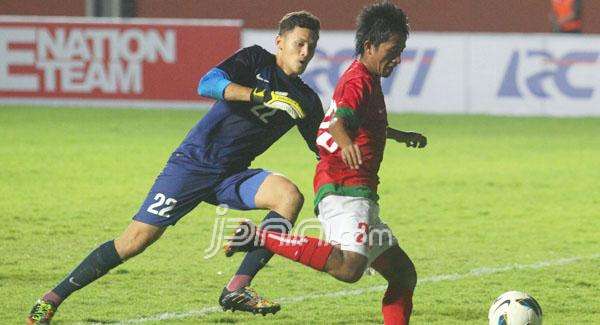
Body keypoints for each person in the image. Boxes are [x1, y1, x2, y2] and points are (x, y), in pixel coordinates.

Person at [27, 11, 323, 324]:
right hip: (193, 164)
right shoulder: (255, 61)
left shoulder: (304, 99)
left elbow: (323, 148)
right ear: (280, 42)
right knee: (134, 242)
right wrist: (259, 94)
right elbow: (207, 84)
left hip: (233, 175)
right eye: (299, 43)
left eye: (311, 46)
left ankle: (237, 288)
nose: (305, 53)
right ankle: (51, 299)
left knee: (289, 197)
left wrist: (365, 139)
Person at [225, 2, 426, 324]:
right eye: (393, 50)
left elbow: (363, 123)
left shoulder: (367, 80)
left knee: (403, 275)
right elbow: (337, 123)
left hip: (359, 191)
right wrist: (346, 144)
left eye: (401, 50)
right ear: (370, 46)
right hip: (345, 187)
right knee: (349, 268)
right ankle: (261, 236)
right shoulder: (357, 80)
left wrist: (400, 135)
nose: (398, 58)